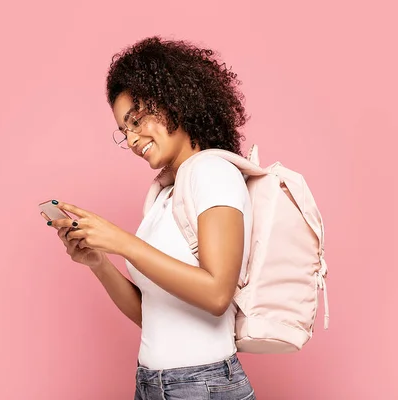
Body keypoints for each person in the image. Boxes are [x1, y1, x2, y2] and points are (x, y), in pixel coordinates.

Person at [42, 36, 256, 400]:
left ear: (175, 101)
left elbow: (218, 293)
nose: (132, 138)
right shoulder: (164, 195)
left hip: (201, 386)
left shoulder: (212, 172)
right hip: (154, 384)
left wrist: (124, 242)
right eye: (124, 130)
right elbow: (153, 316)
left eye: (136, 119)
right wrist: (100, 262)